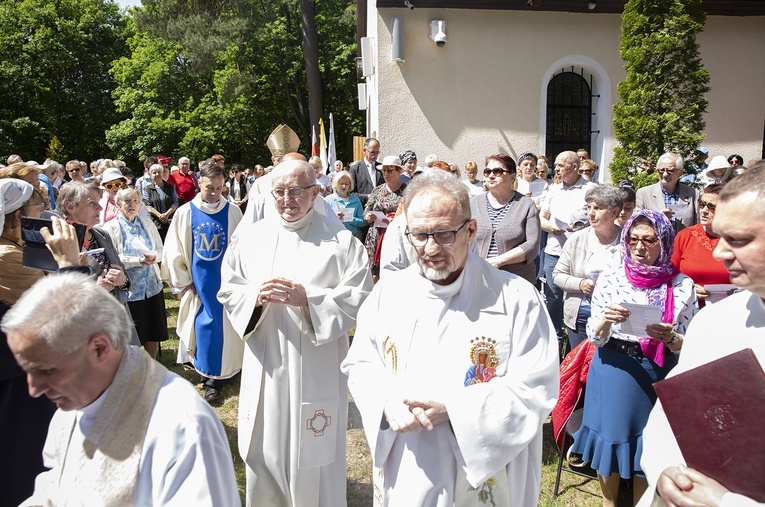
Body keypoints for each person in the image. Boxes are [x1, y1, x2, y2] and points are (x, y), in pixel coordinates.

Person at [341, 170, 559, 507]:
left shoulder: (515, 298)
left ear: (471, 230)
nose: (430, 248)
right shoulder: (388, 293)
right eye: (419, 235)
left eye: (443, 234)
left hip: (485, 467)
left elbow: (536, 387)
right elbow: (361, 363)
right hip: (410, 460)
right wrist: (385, 401)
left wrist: (455, 410)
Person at [3, 272, 239, 505]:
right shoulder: (72, 405)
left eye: (46, 370)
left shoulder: (182, 426)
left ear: (99, 349)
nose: (34, 389)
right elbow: (55, 484)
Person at [217, 160, 372, 507]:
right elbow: (229, 288)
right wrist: (252, 297)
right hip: (267, 360)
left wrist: (309, 301)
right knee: (266, 444)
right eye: (279, 191)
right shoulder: (251, 238)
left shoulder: (343, 243)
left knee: (314, 449)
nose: (287, 199)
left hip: (317, 362)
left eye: (296, 191)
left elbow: (359, 296)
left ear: (316, 193)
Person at [638, 166, 765, 507]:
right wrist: (666, 472)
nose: (720, 253)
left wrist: (726, 503)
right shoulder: (714, 322)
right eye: (720, 237)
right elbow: (671, 418)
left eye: (738, 240)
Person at [568, 209, 697, 507]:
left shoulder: (681, 284)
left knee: (651, 444)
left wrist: (671, 338)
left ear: (664, 242)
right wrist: (606, 321)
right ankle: (609, 503)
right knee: (610, 442)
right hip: (615, 368)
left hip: (660, 370)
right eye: (634, 239)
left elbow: (689, 342)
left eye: (650, 241)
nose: (640, 247)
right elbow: (595, 338)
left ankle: (644, 501)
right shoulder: (612, 278)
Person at [161, 165, 243, 403]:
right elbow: (175, 249)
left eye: (219, 188)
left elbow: (241, 247)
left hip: (228, 282)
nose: (215, 193)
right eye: (210, 188)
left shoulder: (233, 212)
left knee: (228, 326)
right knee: (206, 326)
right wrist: (185, 282)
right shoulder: (186, 212)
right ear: (199, 183)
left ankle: (229, 370)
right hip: (200, 284)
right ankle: (209, 379)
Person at [56, 181, 140, 347]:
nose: (100, 209)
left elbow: (124, 275)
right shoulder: (59, 242)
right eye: (92, 204)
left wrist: (122, 279)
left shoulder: (101, 234)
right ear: (70, 207)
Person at [553, 185, 623, 351]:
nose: (590, 213)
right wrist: (580, 284)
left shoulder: (628, 239)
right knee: (579, 368)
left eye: (597, 208)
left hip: (617, 317)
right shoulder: (577, 239)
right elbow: (557, 275)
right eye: (589, 207)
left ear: (614, 212)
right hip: (582, 313)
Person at [102, 188, 168, 359]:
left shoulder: (147, 223)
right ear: (118, 204)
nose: (132, 205)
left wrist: (154, 257)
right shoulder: (110, 228)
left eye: (135, 201)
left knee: (153, 326)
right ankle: (133, 364)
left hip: (151, 285)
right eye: (127, 201)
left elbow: (161, 249)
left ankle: (151, 361)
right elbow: (113, 257)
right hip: (130, 289)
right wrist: (138, 261)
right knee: (134, 329)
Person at [540, 150, 597, 336]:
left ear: (575, 167)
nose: (556, 169)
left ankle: (579, 337)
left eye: (560, 166)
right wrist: (551, 227)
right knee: (553, 298)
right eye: (555, 166)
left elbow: (596, 219)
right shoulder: (553, 190)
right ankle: (556, 336)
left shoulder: (590, 190)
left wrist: (580, 227)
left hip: (581, 253)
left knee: (578, 298)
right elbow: (542, 217)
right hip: (554, 251)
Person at [470, 153, 540, 285]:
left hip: (516, 281)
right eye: (487, 171)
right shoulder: (474, 203)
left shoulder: (526, 204)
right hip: (480, 279)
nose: (491, 175)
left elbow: (532, 245)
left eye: (497, 171)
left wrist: (498, 261)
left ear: (512, 177)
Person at [670, 183, 731, 310]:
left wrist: (737, 293)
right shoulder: (685, 236)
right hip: (690, 311)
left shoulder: (739, 239)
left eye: (711, 206)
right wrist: (689, 289)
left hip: (731, 311)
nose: (704, 210)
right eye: (702, 204)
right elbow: (669, 275)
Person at [363, 155, 406, 279]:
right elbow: (366, 211)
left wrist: (394, 220)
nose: (386, 173)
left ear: (398, 171)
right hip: (376, 235)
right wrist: (369, 217)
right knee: (374, 272)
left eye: (389, 170)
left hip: (396, 235)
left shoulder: (407, 190)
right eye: (384, 170)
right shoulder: (378, 190)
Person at [635, 152, 699, 232]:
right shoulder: (644, 193)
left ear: (680, 173)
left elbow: (698, 225)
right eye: (661, 170)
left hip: (683, 243)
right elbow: (636, 222)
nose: (665, 174)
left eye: (670, 171)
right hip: (656, 243)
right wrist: (657, 217)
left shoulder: (692, 193)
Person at [142, 163, 178, 241]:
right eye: (154, 172)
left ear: (163, 173)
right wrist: (159, 215)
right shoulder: (147, 189)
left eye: (159, 172)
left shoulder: (170, 187)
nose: (157, 174)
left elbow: (175, 202)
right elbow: (147, 206)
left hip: (170, 222)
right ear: (150, 174)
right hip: (156, 223)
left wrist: (166, 214)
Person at [326, 171, 366, 238]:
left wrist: (350, 219)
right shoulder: (328, 200)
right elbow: (323, 221)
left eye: (346, 184)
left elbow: (362, 222)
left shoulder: (356, 200)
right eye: (341, 183)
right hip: (335, 237)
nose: (344, 186)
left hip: (354, 237)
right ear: (336, 184)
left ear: (350, 185)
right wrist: (335, 218)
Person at [349, 137, 383, 206]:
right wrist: (367, 197)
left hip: (380, 209)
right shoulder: (355, 168)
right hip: (361, 208)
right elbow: (350, 193)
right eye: (372, 152)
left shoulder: (382, 168)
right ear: (364, 150)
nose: (375, 155)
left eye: (377, 152)